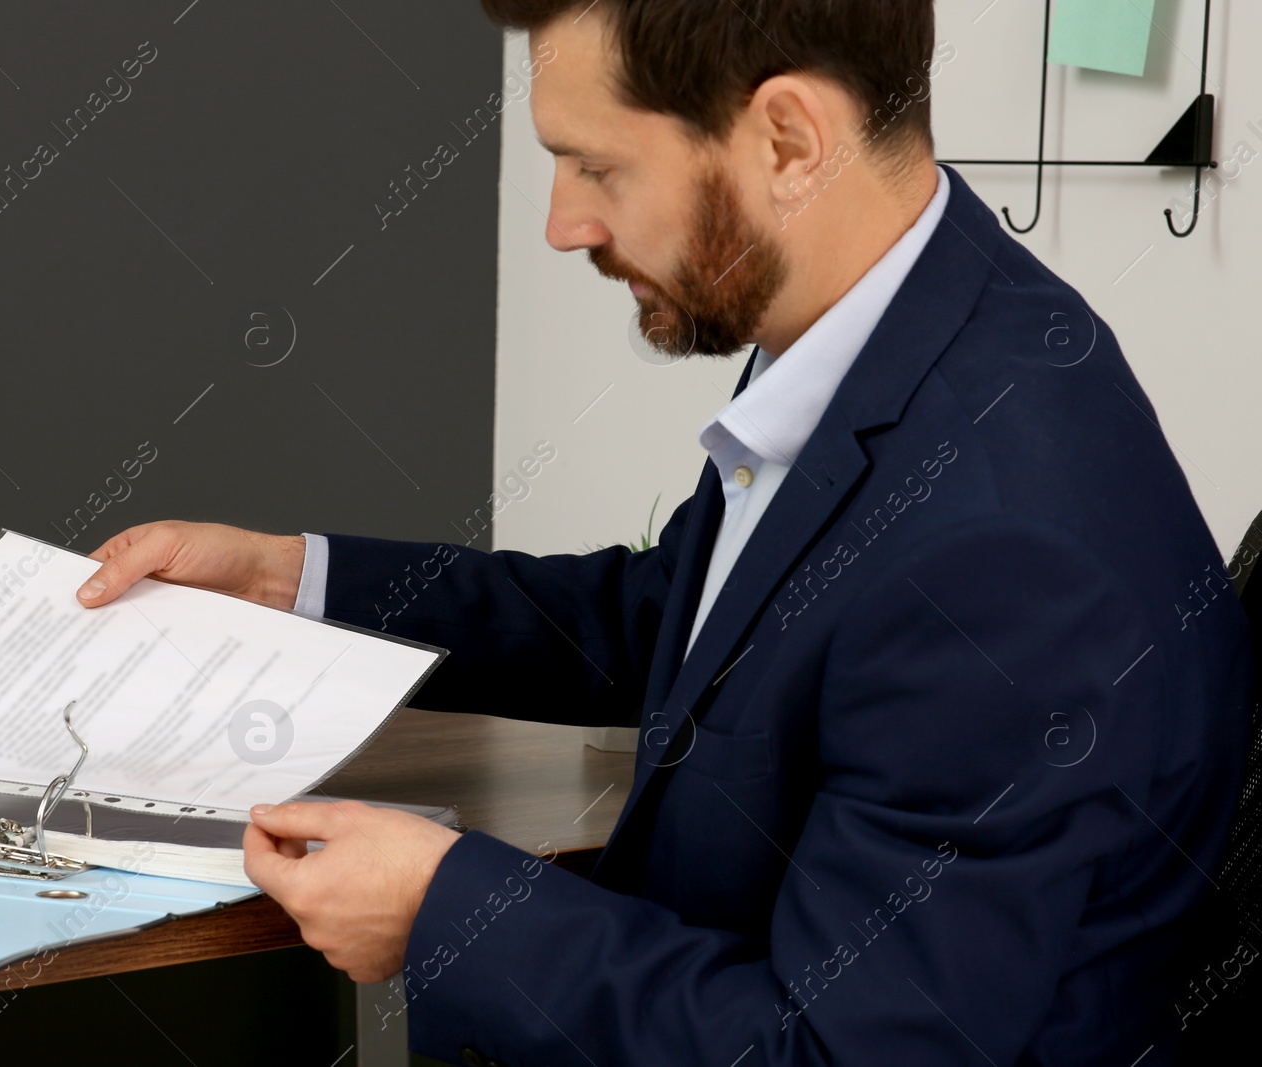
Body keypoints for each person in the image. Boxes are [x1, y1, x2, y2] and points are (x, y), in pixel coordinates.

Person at [76, 1, 1252, 1062]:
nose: (561, 223)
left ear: (787, 141)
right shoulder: (911, 323)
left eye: (594, 165)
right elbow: (678, 622)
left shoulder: (1001, 555)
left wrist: (449, 908)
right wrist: (298, 580)